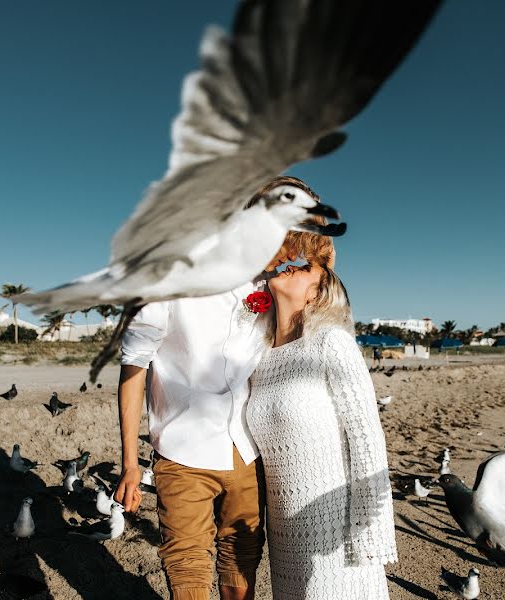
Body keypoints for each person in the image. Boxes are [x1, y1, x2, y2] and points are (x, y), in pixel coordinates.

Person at [114, 176, 334, 600]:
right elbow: (133, 368)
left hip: (249, 451)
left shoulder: (276, 285)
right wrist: (129, 463)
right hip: (181, 449)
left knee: (243, 556)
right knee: (186, 563)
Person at [246, 257, 397, 599]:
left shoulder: (331, 343)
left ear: (317, 295)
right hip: (284, 534)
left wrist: (370, 536)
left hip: (334, 530)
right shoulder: (259, 355)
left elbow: (368, 439)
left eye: (305, 269)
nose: (293, 266)